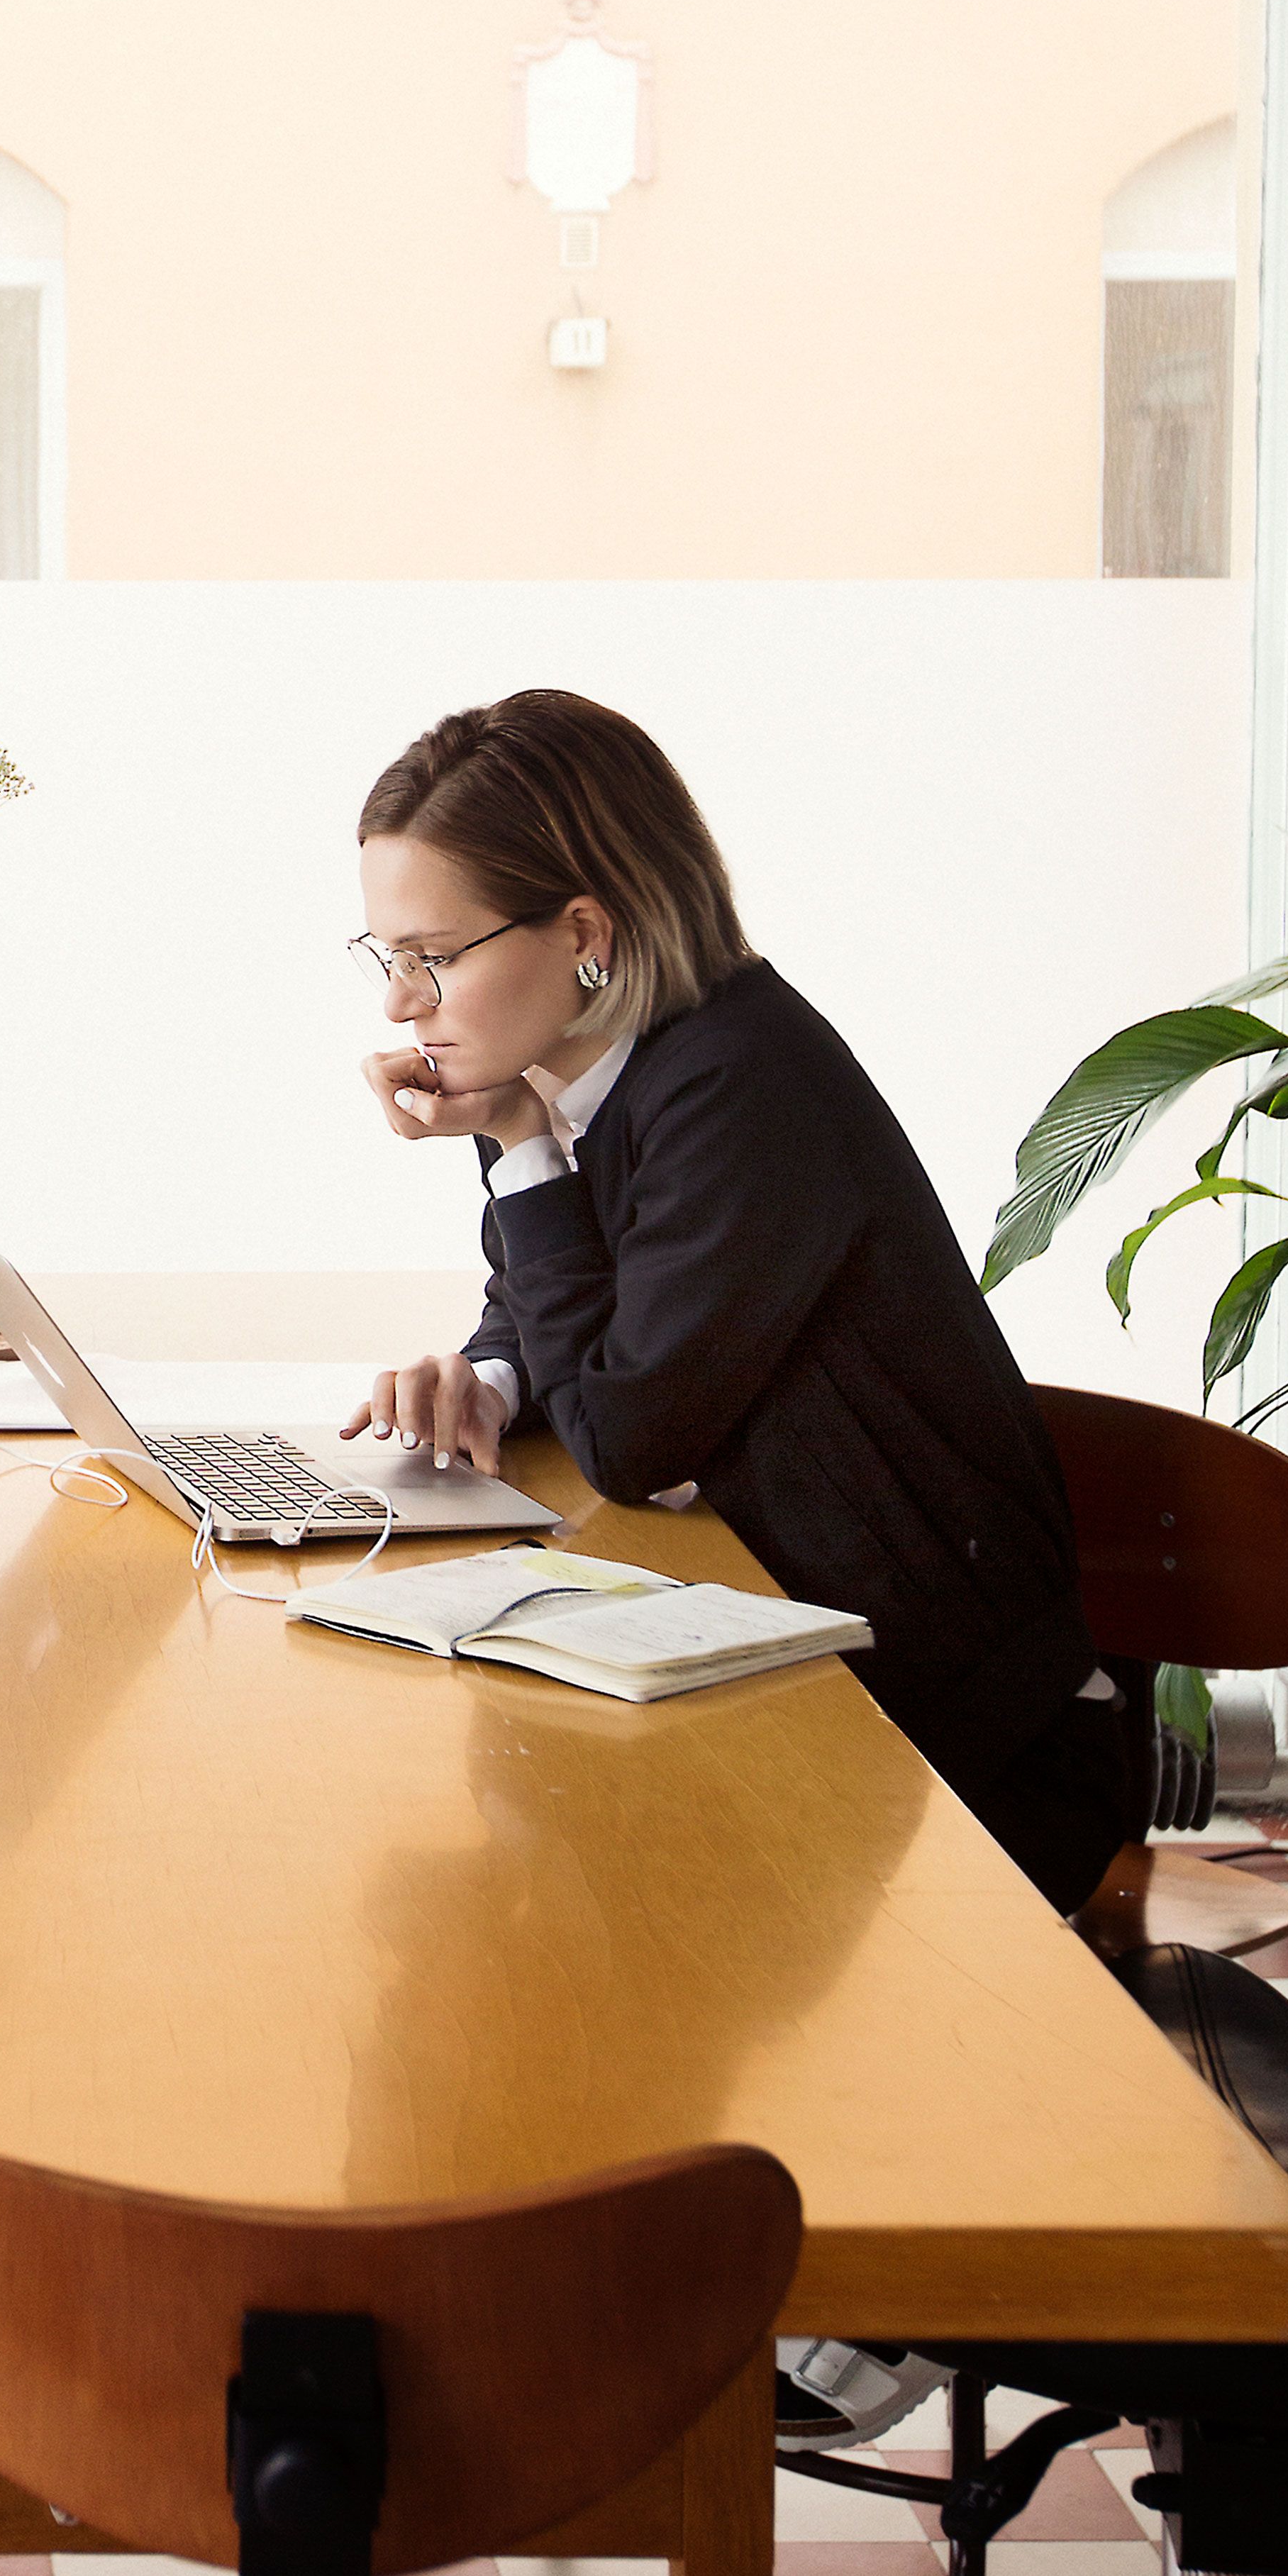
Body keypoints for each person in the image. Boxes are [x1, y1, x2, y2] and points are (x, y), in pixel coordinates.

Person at [340, 685, 1134, 1919]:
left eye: (432, 957)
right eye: (386, 957)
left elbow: (627, 1437)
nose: (400, 1004)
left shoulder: (736, 1084)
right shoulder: (621, 1067)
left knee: (549, 1889)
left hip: (969, 1745)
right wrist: (490, 1379)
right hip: (809, 1647)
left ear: (584, 931)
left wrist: (515, 1145)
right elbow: (572, 1303)